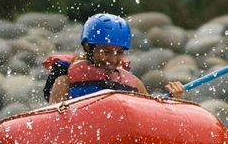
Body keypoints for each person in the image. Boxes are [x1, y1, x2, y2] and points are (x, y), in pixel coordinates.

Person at [43, 13, 185, 103]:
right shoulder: (65, 82)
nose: (113, 59)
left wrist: (174, 98)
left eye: (119, 52)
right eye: (106, 52)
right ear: (87, 47)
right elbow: (54, 124)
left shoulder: (134, 83)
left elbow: (154, 117)